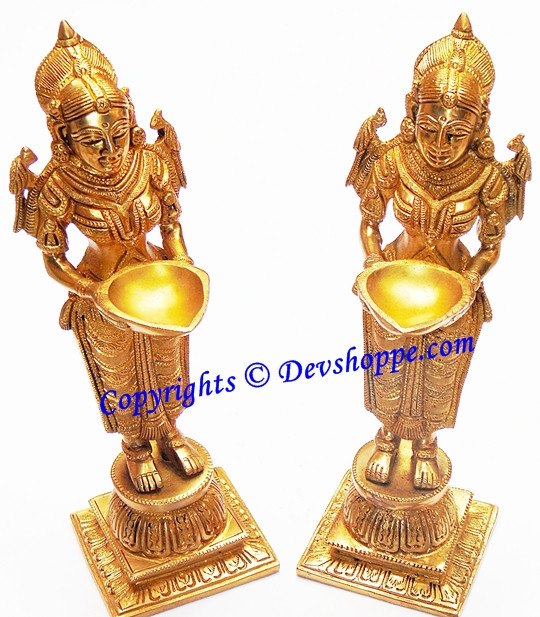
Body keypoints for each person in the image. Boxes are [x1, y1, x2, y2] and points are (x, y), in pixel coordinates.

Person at [10, 21, 202, 493]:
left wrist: (183, 263)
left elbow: (171, 225)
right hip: (102, 292)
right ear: (63, 136)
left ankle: (170, 432)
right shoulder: (59, 185)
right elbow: (53, 258)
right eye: (93, 142)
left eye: (117, 135)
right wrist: (89, 290)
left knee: (168, 365)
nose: (111, 151)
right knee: (123, 375)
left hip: (159, 284)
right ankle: (136, 448)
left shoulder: (150, 163)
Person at [347, 14, 530, 490]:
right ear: (412, 111)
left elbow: (491, 245)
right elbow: (369, 222)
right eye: (429, 130)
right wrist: (373, 262)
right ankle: (387, 437)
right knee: (388, 366)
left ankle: (426, 443)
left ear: (479, 124)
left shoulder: (488, 177)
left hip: (454, 284)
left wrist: (472, 277)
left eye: (455, 135)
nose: (440, 146)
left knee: (439, 371)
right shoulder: (394, 158)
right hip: (393, 278)